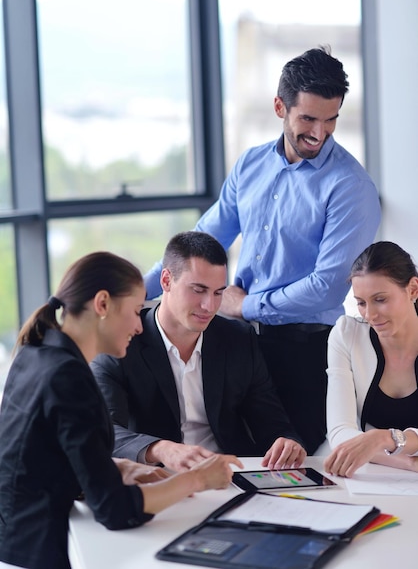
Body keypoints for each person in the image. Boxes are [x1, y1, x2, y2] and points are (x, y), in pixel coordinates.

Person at [144, 46, 381, 454]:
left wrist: (245, 305)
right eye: (308, 118)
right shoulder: (251, 165)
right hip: (234, 341)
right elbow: (203, 238)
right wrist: (136, 295)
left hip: (302, 350)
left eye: (331, 120)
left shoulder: (350, 187)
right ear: (279, 107)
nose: (319, 133)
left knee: (284, 465)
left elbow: (326, 288)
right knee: (226, 456)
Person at [0, 252, 242, 569]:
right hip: (38, 553)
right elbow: (114, 511)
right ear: (102, 304)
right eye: (135, 311)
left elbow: (49, 452)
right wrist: (196, 480)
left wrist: (120, 468)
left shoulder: (38, 351)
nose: (139, 326)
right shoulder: (69, 377)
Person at [91, 231, 306, 473]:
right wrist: (160, 449)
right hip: (158, 477)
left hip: (230, 475)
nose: (210, 306)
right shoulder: (122, 342)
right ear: (166, 281)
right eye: (198, 290)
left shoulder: (238, 339)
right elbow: (105, 432)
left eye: (218, 292)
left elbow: (273, 423)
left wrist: (288, 442)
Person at [324, 241, 418, 478]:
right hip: (369, 476)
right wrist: (408, 462)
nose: (370, 315)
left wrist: (383, 439)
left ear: (413, 290)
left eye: (380, 299)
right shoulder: (346, 334)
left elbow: (359, 443)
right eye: (361, 303)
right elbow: (339, 433)